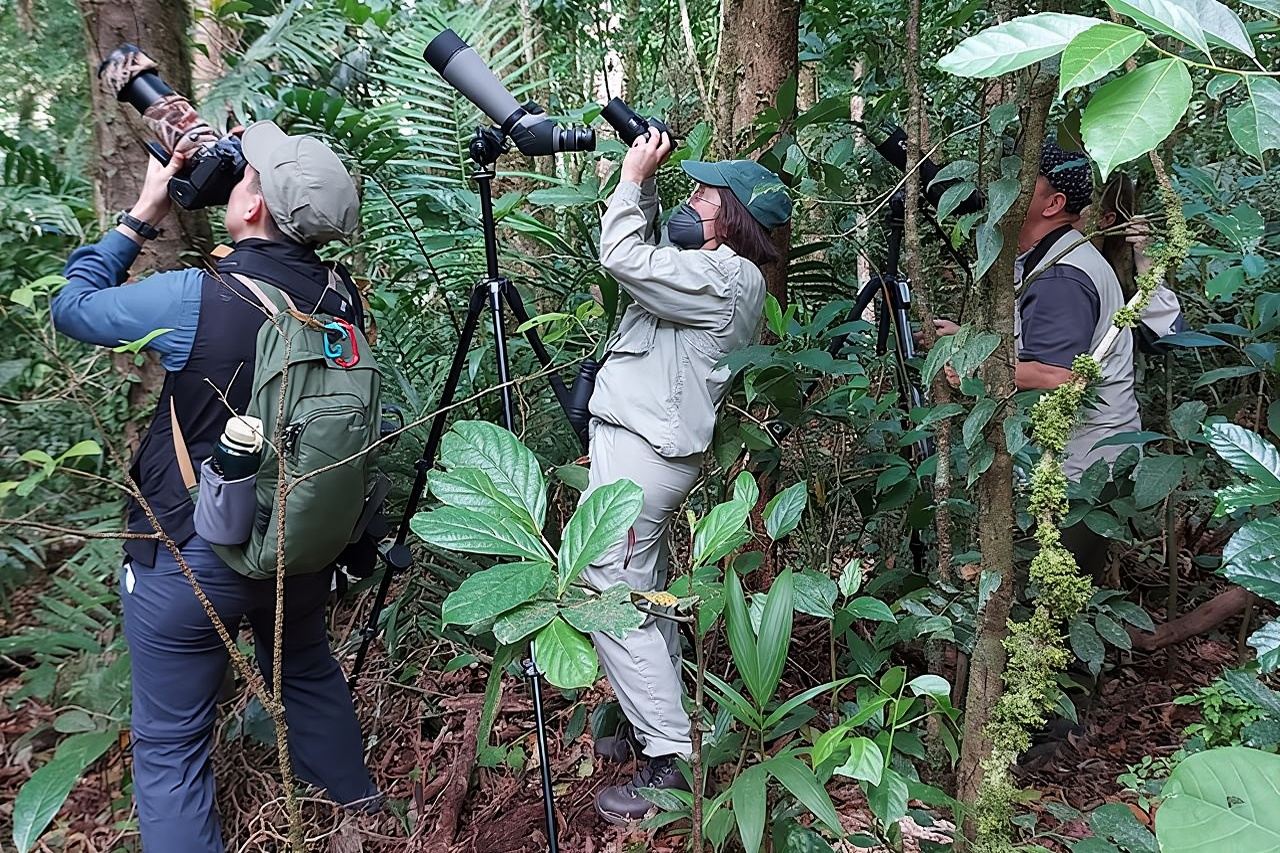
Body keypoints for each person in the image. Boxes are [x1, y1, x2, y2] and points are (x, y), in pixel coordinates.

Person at [50, 121, 380, 852]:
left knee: (171, 745)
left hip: (194, 556)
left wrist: (144, 211)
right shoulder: (342, 300)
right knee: (306, 671)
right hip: (298, 543)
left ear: (255, 204)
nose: (234, 181)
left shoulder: (195, 296)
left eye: (244, 175)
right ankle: (369, 817)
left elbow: (71, 308)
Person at [583, 130, 791, 823]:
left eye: (703, 193)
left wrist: (631, 175)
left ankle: (671, 759)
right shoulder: (706, 271)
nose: (690, 198)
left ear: (730, 214)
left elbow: (619, 256)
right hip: (639, 449)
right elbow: (647, 266)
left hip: (646, 456)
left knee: (608, 588)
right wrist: (645, 186)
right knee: (638, 592)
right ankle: (659, 732)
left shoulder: (725, 277)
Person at [932, 139, 1140, 577]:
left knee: (1046, 600)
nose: (1004, 188)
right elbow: (1036, 341)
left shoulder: (1062, 275)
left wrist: (973, 367)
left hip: (1081, 471)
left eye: (1023, 180)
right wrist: (970, 338)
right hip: (1070, 459)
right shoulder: (1048, 257)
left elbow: (1057, 374)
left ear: (1054, 203)